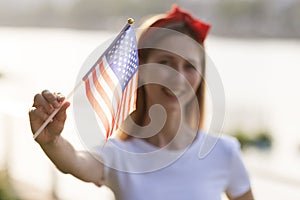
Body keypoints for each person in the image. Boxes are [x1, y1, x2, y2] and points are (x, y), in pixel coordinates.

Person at [29, 5, 254, 200]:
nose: (178, 77)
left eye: (189, 66)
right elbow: (75, 161)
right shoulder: (119, 155)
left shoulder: (225, 153)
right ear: (143, 69)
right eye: (165, 62)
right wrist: (52, 141)